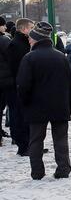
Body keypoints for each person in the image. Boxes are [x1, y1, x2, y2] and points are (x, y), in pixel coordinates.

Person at [17, 22, 71, 179]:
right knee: (61, 140)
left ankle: (37, 172)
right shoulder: (61, 58)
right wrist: (70, 106)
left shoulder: (29, 58)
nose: (28, 40)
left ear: (36, 39)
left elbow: (23, 86)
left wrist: (25, 104)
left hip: (36, 108)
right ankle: (63, 169)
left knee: (35, 140)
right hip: (60, 106)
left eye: (30, 38)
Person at [7, 18, 34, 156]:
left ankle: (30, 145)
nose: (32, 30)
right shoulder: (17, 45)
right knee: (20, 116)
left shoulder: (22, 43)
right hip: (18, 86)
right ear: (23, 29)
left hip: (22, 85)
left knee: (26, 116)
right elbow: (17, 68)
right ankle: (24, 146)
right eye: (31, 27)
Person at [0, 17, 11, 144]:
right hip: (5, 80)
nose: (5, 27)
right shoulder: (4, 40)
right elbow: (11, 58)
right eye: (3, 25)